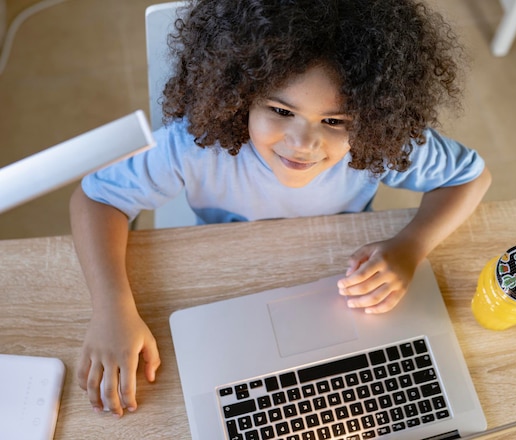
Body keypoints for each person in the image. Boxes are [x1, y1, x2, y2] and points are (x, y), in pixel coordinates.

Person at [70, 0, 491, 418]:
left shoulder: (377, 141)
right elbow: (96, 199)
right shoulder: (193, 143)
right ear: (239, 94)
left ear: (373, 117)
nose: (303, 144)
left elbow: (471, 177)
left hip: (329, 285)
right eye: (281, 111)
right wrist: (112, 310)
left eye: (335, 121)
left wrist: (411, 246)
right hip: (226, 281)